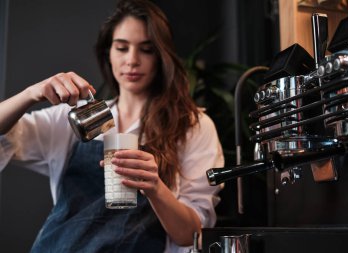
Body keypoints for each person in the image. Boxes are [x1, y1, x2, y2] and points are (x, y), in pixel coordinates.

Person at [0, 0, 224, 252]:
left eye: (146, 49)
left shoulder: (193, 126)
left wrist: (155, 188)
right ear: (108, 52)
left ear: (162, 56)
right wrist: (31, 93)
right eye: (121, 47)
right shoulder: (74, 117)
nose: (132, 60)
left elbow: (191, 234)